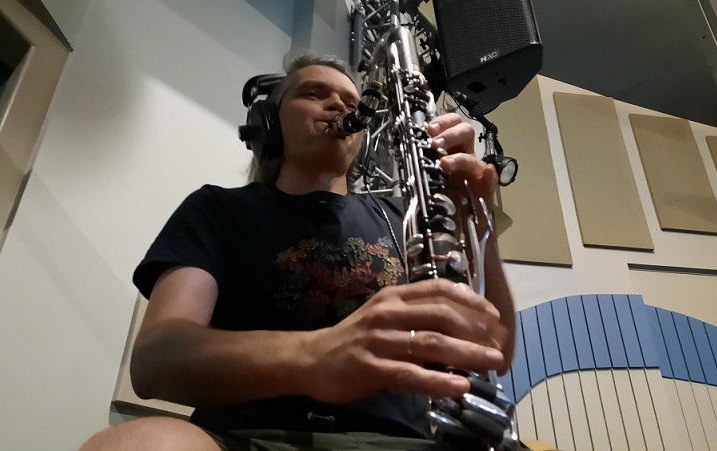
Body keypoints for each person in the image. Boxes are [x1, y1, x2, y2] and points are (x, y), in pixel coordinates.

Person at [81, 53, 516, 451]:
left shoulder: (407, 216)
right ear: (268, 123)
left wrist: (477, 221)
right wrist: (314, 356)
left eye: (351, 100)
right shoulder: (217, 209)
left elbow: (493, 348)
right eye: (314, 93)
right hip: (244, 438)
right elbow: (156, 359)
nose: (339, 105)